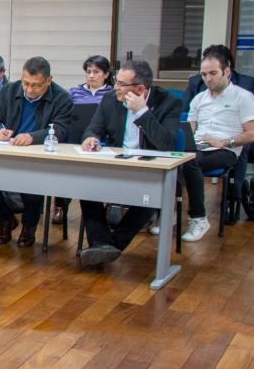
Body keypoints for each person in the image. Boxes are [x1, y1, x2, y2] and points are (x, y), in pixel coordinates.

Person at [77, 60, 182, 267]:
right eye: (117, 82)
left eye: (122, 84)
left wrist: (142, 112)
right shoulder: (110, 99)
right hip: (116, 164)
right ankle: (104, 244)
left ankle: (108, 245)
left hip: (151, 169)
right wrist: (90, 138)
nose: (115, 87)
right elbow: (93, 128)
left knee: (149, 199)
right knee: (87, 190)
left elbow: (166, 144)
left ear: (140, 89)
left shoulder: (168, 103)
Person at [0, 56, 74, 247]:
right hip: (10, 152)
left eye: (36, 85)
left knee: (33, 183)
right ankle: (5, 220)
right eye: (26, 83)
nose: (29, 90)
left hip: (40, 157)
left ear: (49, 80)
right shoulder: (9, 90)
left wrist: (32, 137)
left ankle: (29, 227)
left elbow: (61, 130)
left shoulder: (62, 98)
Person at [179, 48, 254, 242]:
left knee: (190, 162)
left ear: (227, 71)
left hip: (226, 150)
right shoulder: (199, 98)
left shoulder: (243, 97)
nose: (208, 78)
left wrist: (225, 141)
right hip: (199, 146)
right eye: (204, 74)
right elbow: (190, 128)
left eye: (213, 73)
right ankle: (168, 213)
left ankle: (199, 218)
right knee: (173, 160)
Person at [54, 55, 115, 223]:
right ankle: (60, 205)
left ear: (106, 74)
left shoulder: (112, 94)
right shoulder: (74, 92)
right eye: (88, 72)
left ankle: (107, 206)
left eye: (96, 72)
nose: (91, 76)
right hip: (75, 137)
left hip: (103, 140)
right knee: (64, 167)